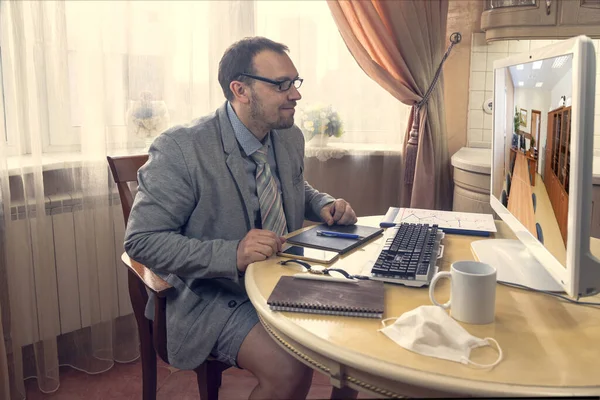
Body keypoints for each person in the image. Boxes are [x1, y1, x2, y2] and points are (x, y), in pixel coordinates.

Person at [124, 36, 358, 399]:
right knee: (290, 370)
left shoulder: (288, 136)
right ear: (240, 90)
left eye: (294, 83)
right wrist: (231, 254)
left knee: (354, 332)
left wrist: (324, 204)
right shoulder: (180, 149)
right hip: (213, 293)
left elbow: (295, 185)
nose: (295, 94)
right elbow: (142, 241)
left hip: (283, 275)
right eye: (281, 84)